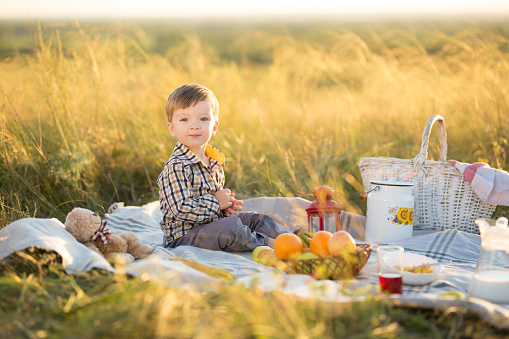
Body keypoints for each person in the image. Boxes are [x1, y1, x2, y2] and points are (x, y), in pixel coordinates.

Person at [157, 83, 288, 251]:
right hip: (185, 237)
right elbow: (181, 210)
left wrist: (224, 208)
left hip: (211, 226)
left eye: (203, 119)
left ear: (214, 127)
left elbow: (212, 203)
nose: (194, 125)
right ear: (172, 128)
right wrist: (216, 203)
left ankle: (294, 239)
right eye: (184, 119)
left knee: (257, 219)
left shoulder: (214, 161)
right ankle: (270, 245)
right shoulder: (176, 167)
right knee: (231, 228)